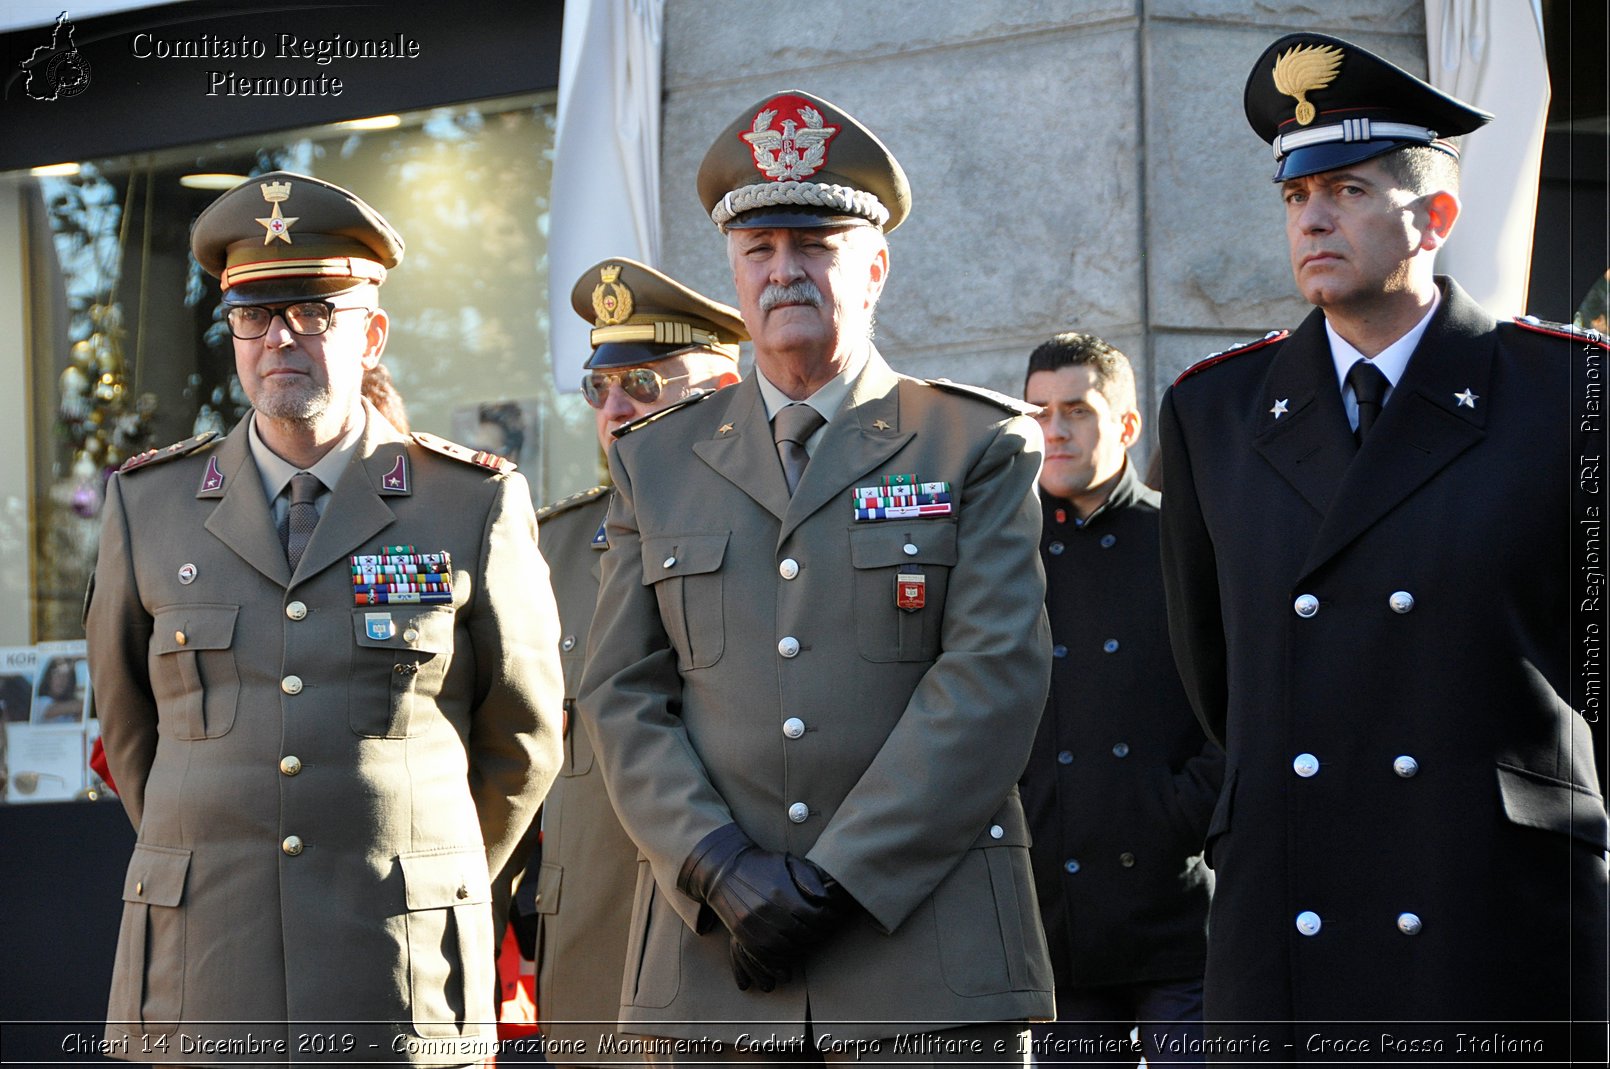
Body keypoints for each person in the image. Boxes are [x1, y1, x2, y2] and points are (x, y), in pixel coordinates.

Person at [576, 90, 1054, 1065]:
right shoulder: (655, 461)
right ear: (734, 272)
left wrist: (838, 880)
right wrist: (715, 867)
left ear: (871, 268)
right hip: (716, 955)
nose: (784, 270)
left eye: (814, 244)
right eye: (759, 250)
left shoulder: (973, 442)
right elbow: (621, 691)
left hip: (925, 954)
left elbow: (990, 677)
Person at [1158, 34, 1609, 1053]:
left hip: (1495, 912)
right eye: (1293, 196)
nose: (1311, 216)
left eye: (1348, 190)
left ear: (1435, 216)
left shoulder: (1570, 393)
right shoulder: (1214, 412)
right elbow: (1211, 675)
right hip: (1291, 912)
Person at [85, 170, 565, 1066]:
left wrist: (429, 869)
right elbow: (131, 729)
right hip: (203, 965)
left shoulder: (469, 502)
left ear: (371, 333)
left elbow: (523, 738)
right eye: (254, 316)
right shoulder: (148, 506)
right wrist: (219, 841)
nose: (280, 339)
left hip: (397, 971)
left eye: (313, 312)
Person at [508, 258, 743, 1063]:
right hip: (589, 940)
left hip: (733, 931)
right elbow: (512, 735)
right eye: (598, 388)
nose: (614, 410)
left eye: (643, 384)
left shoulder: (778, 536)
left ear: (724, 385)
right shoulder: (550, 545)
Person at [1019, 334, 1221, 1066]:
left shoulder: (1184, 539)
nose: (1055, 430)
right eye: (1038, 411)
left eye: (1076, 409)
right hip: (1055, 915)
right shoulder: (1003, 551)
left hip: (1176, 909)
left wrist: (1185, 810)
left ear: (1128, 425)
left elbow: (1240, 698)